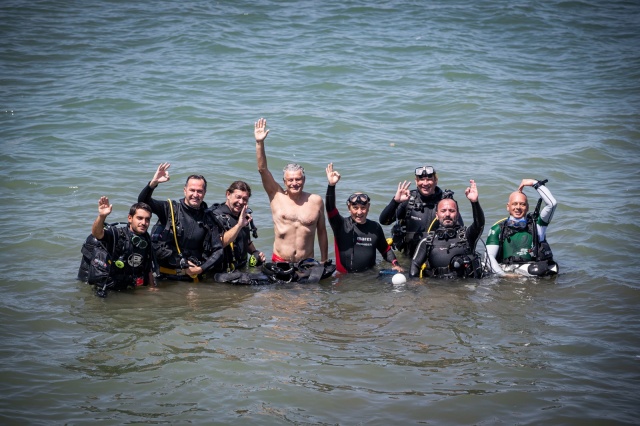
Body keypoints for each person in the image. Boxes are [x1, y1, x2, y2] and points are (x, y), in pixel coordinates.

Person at [254, 117, 328, 264]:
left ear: (304, 180)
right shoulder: (276, 196)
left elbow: (322, 232)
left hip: (307, 262)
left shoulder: (316, 201)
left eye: (298, 179)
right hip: (280, 261)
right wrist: (259, 143)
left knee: (311, 289)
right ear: (284, 182)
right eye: (290, 180)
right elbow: (262, 169)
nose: (295, 183)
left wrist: (325, 260)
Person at [138, 163, 222, 281]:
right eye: (192, 190)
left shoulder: (208, 218)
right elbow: (142, 203)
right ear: (184, 190)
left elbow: (218, 250)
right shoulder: (169, 209)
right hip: (165, 278)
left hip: (192, 279)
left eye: (199, 191)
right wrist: (153, 183)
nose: (195, 195)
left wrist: (201, 269)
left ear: (204, 193)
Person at [324, 163, 404, 274]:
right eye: (355, 208)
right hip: (344, 280)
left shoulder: (375, 227)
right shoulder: (340, 225)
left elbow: (385, 250)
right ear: (349, 208)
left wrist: (396, 264)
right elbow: (330, 208)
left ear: (368, 207)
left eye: (363, 208)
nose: (359, 212)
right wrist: (331, 185)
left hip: (368, 279)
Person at [80, 197, 156, 297]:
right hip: (107, 289)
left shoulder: (146, 239)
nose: (143, 223)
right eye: (140, 218)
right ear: (130, 218)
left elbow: (148, 267)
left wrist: (152, 287)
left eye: (147, 219)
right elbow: (97, 233)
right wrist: (102, 216)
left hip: (127, 287)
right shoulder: (117, 235)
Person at [379, 165, 461, 257]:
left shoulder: (445, 202)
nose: (425, 183)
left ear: (435, 181)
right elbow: (384, 221)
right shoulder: (408, 200)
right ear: (416, 181)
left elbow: (460, 230)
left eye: (429, 179)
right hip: (410, 257)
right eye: (421, 179)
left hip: (438, 258)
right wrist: (395, 201)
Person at [410, 180, 485, 279]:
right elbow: (414, 268)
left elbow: (479, 224)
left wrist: (474, 202)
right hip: (437, 291)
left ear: (457, 214)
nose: (447, 214)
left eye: (452, 211)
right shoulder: (427, 241)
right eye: (443, 211)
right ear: (437, 215)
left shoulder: (467, 237)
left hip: (463, 291)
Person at [485, 179, 558, 277]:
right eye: (514, 204)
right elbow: (489, 257)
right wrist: (504, 275)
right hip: (505, 272)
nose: (518, 207)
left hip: (530, 271)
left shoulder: (537, 226)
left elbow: (552, 204)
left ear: (527, 207)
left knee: (537, 270)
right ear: (508, 207)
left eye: (522, 204)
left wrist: (535, 183)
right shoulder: (497, 229)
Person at [208, 180, 266, 273]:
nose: (241, 202)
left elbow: (244, 240)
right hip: (222, 274)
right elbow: (219, 243)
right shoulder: (215, 216)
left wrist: (255, 252)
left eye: (245, 199)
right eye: (238, 197)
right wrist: (239, 225)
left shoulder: (243, 215)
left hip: (241, 269)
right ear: (228, 194)